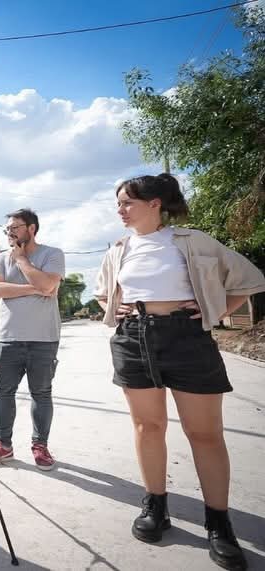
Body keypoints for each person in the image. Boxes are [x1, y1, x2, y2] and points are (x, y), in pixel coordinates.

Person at [95, 174, 264, 570]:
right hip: (133, 339)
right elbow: (103, 293)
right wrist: (114, 308)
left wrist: (214, 310)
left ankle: (219, 523)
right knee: (147, 427)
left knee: (204, 434)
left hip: (187, 338)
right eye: (118, 204)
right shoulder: (118, 249)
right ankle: (156, 506)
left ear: (155, 203)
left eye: (127, 202)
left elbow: (248, 279)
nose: (120, 210)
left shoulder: (192, 241)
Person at [0, 208, 64, 471]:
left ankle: (40, 446)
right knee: (3, 392)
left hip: (44, 338)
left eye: (14, 228)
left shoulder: (52, 254)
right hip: (7, 338)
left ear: (31, 228)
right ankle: (3, 445)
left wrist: (21, 261)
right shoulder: (0, 258)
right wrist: (37, 287)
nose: (9, 233)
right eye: (7, 229)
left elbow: (49, 285)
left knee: (41, 393)